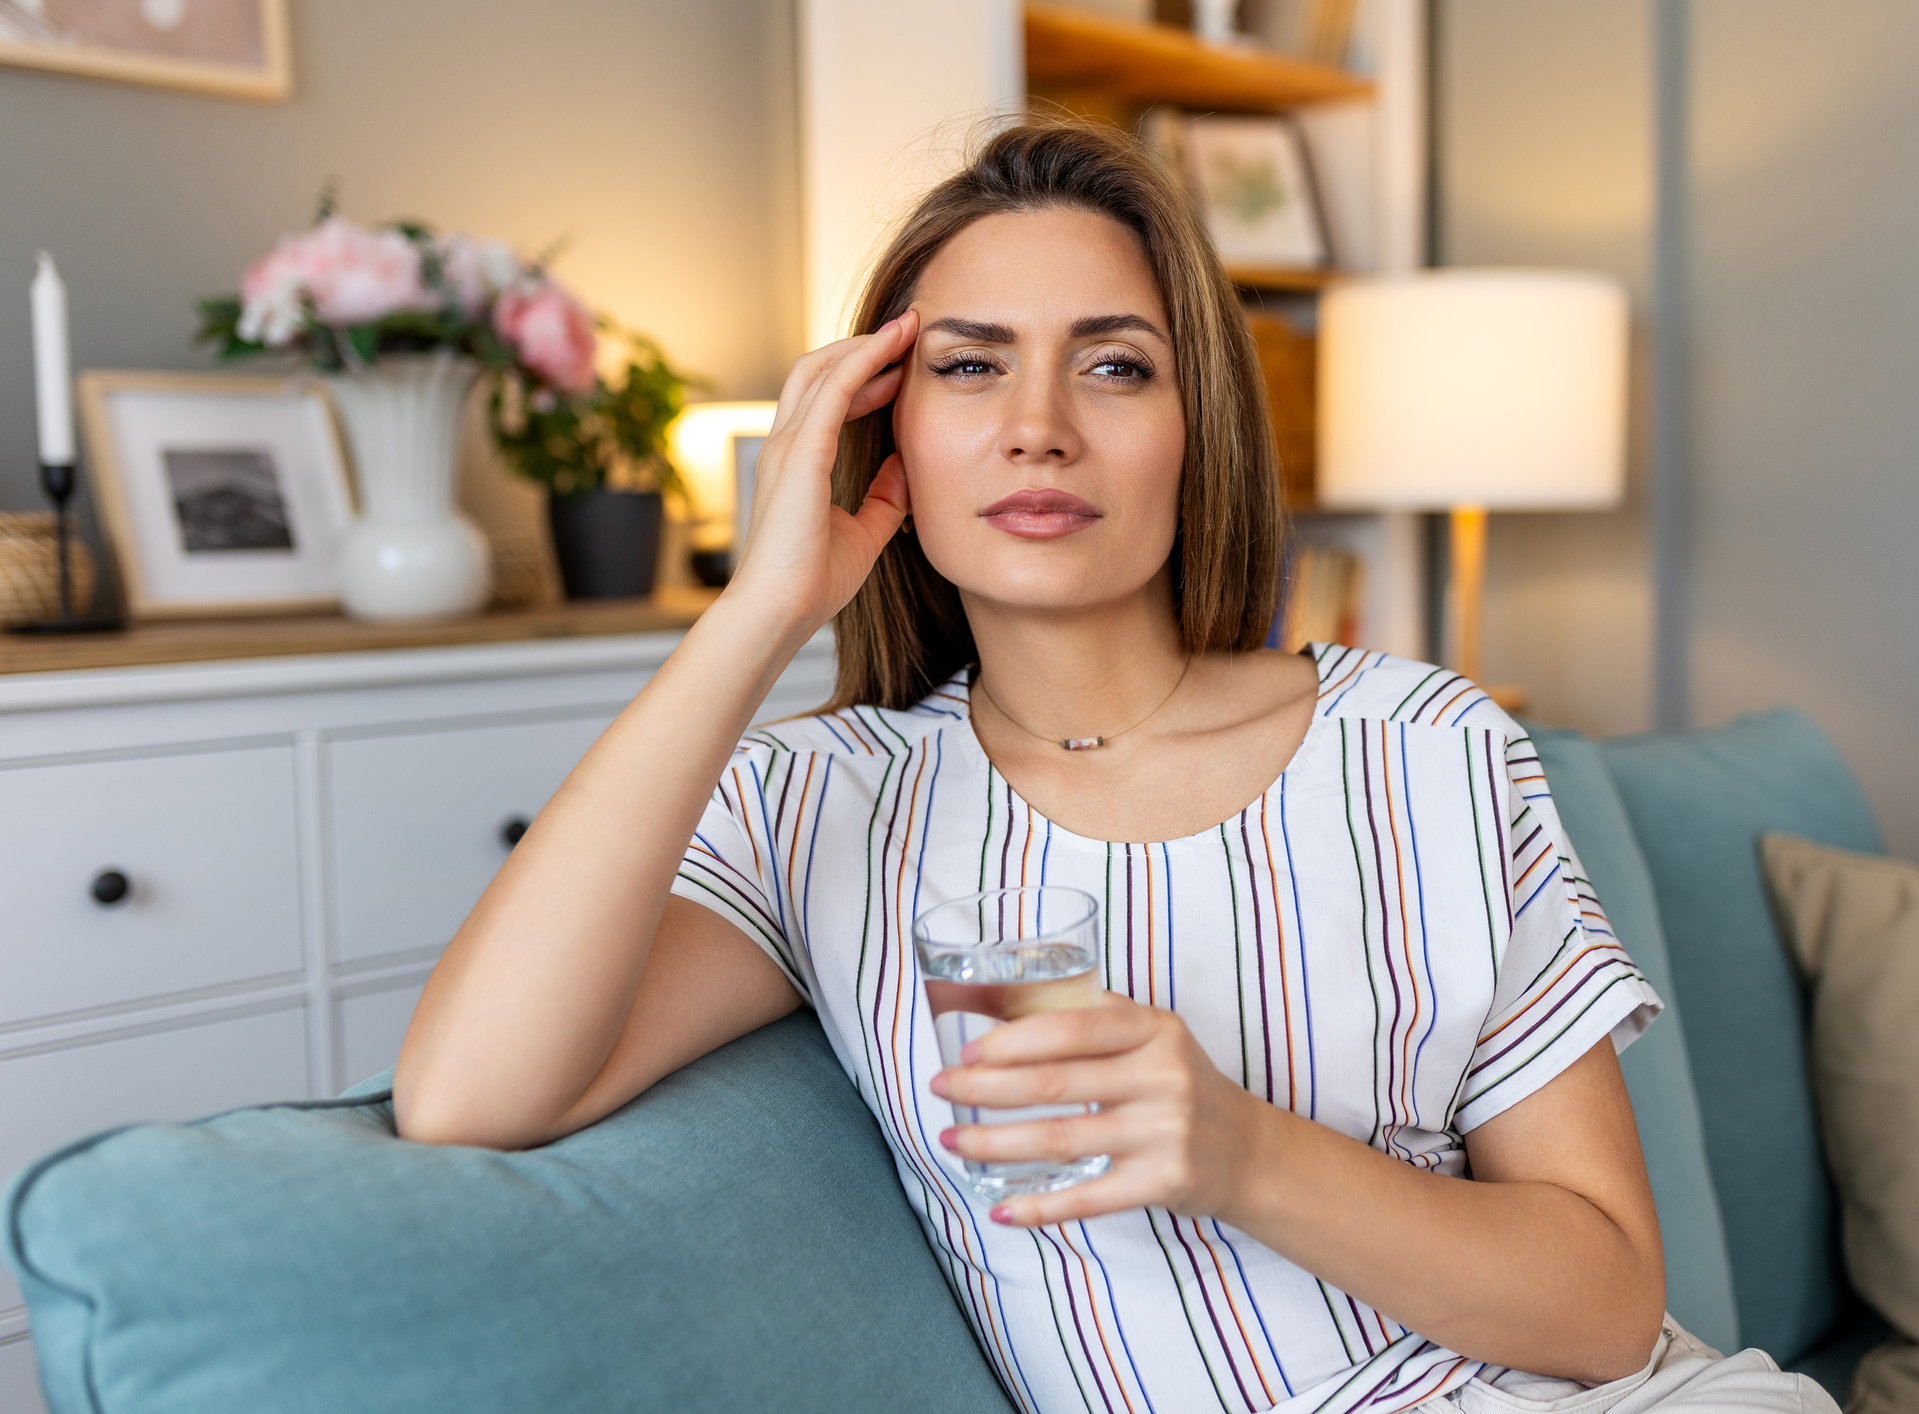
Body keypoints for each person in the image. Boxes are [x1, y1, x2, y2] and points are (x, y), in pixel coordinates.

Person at [392, 115, 1839, 1414]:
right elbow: (468, 1094)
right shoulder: (820, 801)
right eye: (968, 366)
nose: (1039, 428)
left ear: (1195, 428)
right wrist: (755, 613)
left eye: (1114, 366)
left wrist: (1239, 1152)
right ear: (884, 427)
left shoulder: (1427, 749)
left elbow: (1604, 1307)